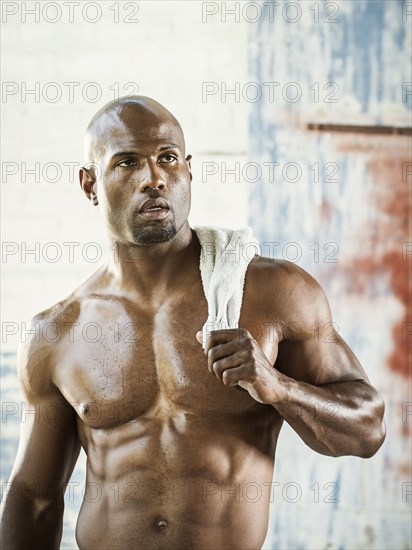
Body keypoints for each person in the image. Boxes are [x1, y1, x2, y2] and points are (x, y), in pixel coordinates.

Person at [0, 96, 385, 550]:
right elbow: (35, 499)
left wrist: (278, 387)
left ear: (188, 169)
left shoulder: (273, 293)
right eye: (127, 163)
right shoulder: (58, 334)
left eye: (167, 159)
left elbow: (368, 430)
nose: (154, 179)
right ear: (90, 185)